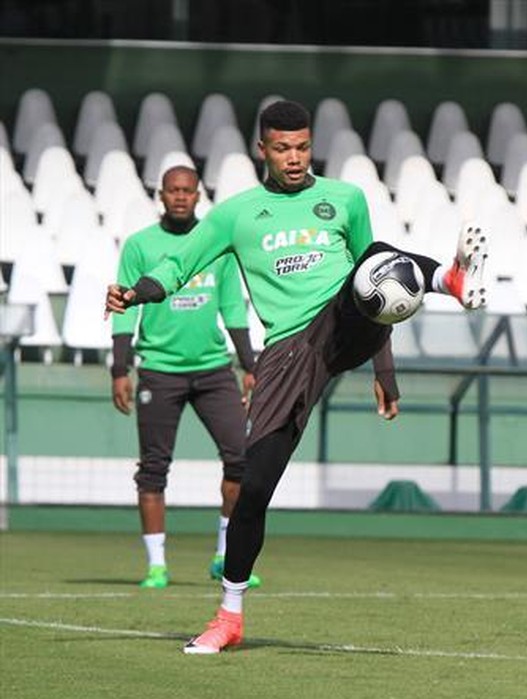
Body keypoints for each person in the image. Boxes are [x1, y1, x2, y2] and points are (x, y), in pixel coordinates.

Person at [104, 100, 488, 654]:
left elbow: (374, 277)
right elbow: (179, 264)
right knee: (254, 488)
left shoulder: (344, 199)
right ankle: (229, 617)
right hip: (287, 353)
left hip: (342, 321)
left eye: (303, 147)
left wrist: (385, 368)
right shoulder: (236, 214)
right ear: (262, 149)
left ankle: (447, 279)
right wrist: (137, 292)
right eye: (282, 148)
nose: (294, 158)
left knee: (377, 257)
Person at [112, 165, 260, 589]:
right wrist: (119, 369)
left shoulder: (216, 245)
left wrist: (249, 366)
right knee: (154, 469)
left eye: (188, 191)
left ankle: (224, 556)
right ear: (161, 195)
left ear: (199, 196)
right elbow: (126, 310)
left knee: (241, 460)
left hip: (214, 370)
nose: (180, 197)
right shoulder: (140, 245)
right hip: (159, 370)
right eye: (173, 190)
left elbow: (233, 308)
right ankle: (156, 565)